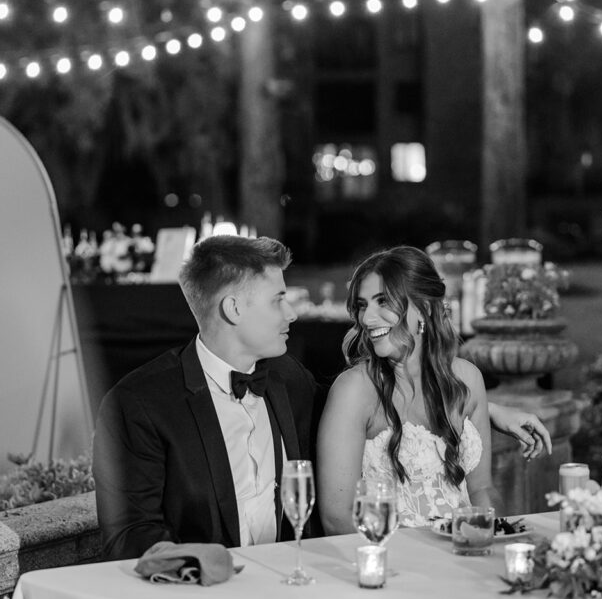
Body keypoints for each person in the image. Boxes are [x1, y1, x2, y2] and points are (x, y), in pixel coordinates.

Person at [93, 235, 320, 560]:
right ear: (233, 308)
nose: (291, 313)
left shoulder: (289, 378)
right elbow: (129, 534)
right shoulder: (139, 404)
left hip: (289, 586)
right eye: (277, 299)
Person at [317, 245, 551, 535]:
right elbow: (337, 519)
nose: (367, 318)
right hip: (393, 562)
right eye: (363, 305)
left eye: (383, 302)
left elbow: (482, 489)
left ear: (425, 309)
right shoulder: (354, 390)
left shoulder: (467, 379)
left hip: (464, 555)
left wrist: (489, 540)